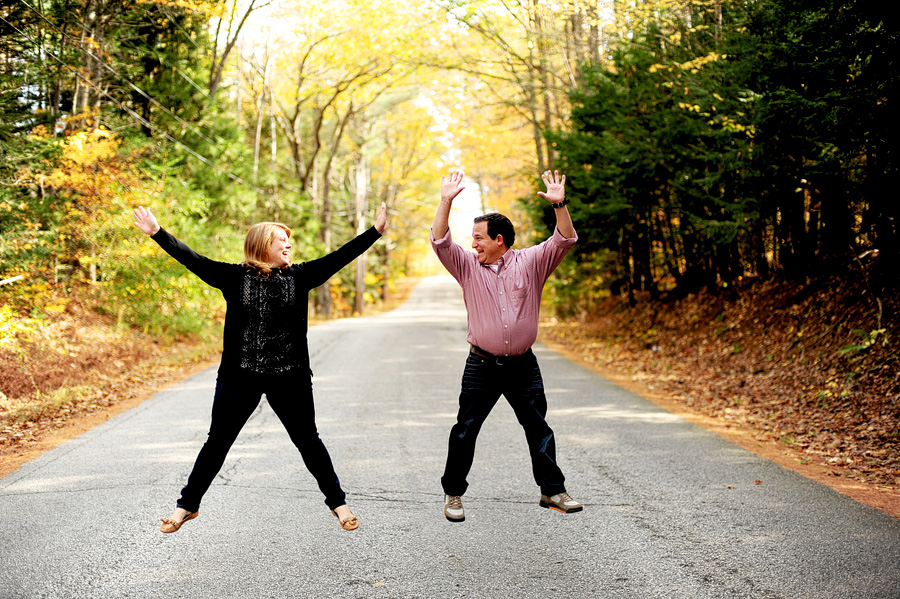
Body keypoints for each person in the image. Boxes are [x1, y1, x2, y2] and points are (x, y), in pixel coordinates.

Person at [133, 203, 387, 533]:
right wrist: (157, 232)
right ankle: (186, 507)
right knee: (217, 442)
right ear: (264, 244)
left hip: (290, 375)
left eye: (288, 241)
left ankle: (338, 503)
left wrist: (375, 232)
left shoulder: (301, 276)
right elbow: (192, 259)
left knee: (308, 440)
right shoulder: (233, 277)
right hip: (240, 376)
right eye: (282, 240)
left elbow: (340, 257)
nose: (289, 245)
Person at [431, 169, 582, 522]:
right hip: (481, 366)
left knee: (539, 428)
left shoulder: (531, 263)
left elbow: (565, 239)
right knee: (465, 429)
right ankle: (453, 493)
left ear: (499, 239)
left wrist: (559, 203)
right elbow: (440, 241)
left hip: (522, 365)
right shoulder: (467, 266)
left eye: (479, 238)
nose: (473, 244)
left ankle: (552, 490)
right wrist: (445, 201)